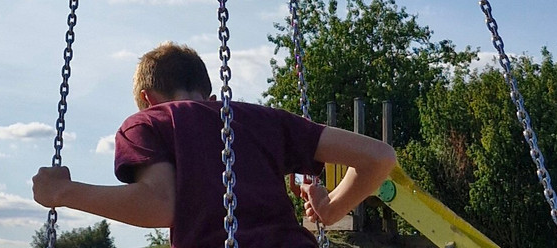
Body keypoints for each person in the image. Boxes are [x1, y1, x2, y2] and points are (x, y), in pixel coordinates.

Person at [32, 42, 398, 248]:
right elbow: (379, 157)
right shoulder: (265, 119)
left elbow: (159, 206)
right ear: (209, 97)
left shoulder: (150, 121)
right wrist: (331, 209)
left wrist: (64, 192)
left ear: (146, 98)